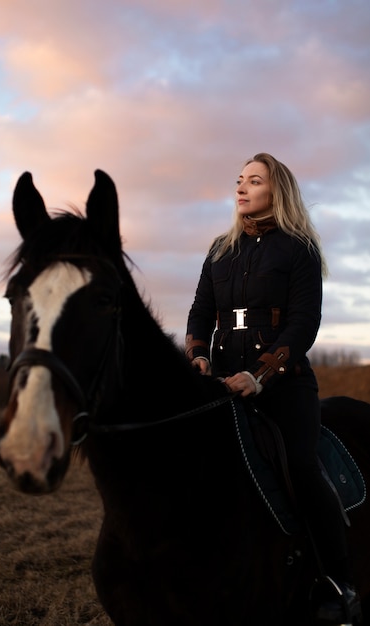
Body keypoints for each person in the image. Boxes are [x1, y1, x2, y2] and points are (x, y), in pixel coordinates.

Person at [185, 152, 361, 622]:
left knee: (302, 467)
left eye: (254, 181)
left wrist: (259, 376)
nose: (241, 188)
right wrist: (199, 355)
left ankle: (339, 584)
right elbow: (200, 312)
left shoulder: (300, 248)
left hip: (286, 387)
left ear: (275, 190)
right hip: (221, 383)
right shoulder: (220, 249)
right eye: (239, 180)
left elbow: (303, 325)